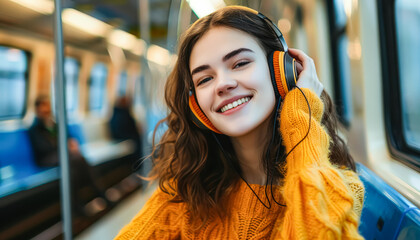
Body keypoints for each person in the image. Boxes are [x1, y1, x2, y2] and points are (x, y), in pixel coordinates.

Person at [116, 6, 365, 239]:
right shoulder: (184, 195)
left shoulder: (340, 190)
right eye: (204, 79)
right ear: (196, 108)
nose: (223, 84)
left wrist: (300, 113)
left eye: (241, 63)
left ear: (282, 72)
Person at [28, 95, 107, 215]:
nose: (46, 112)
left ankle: (95, 195)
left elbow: (69, 137)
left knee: (76, 164)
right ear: (38, 111)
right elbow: (43, 148)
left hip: (63, 156)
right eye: (43, 110)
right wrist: (65, 147)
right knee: (74, 161)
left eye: (47, 109)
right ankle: (88, 200)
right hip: (46, 158)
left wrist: (71, 144)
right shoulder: (34, 129)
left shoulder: (55, 124)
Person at [109, 96, 143, 162]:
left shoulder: (117, 113)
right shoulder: (122, 115)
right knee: (138, 141)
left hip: (122, 136)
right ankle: (139, 162)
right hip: (122, 137)